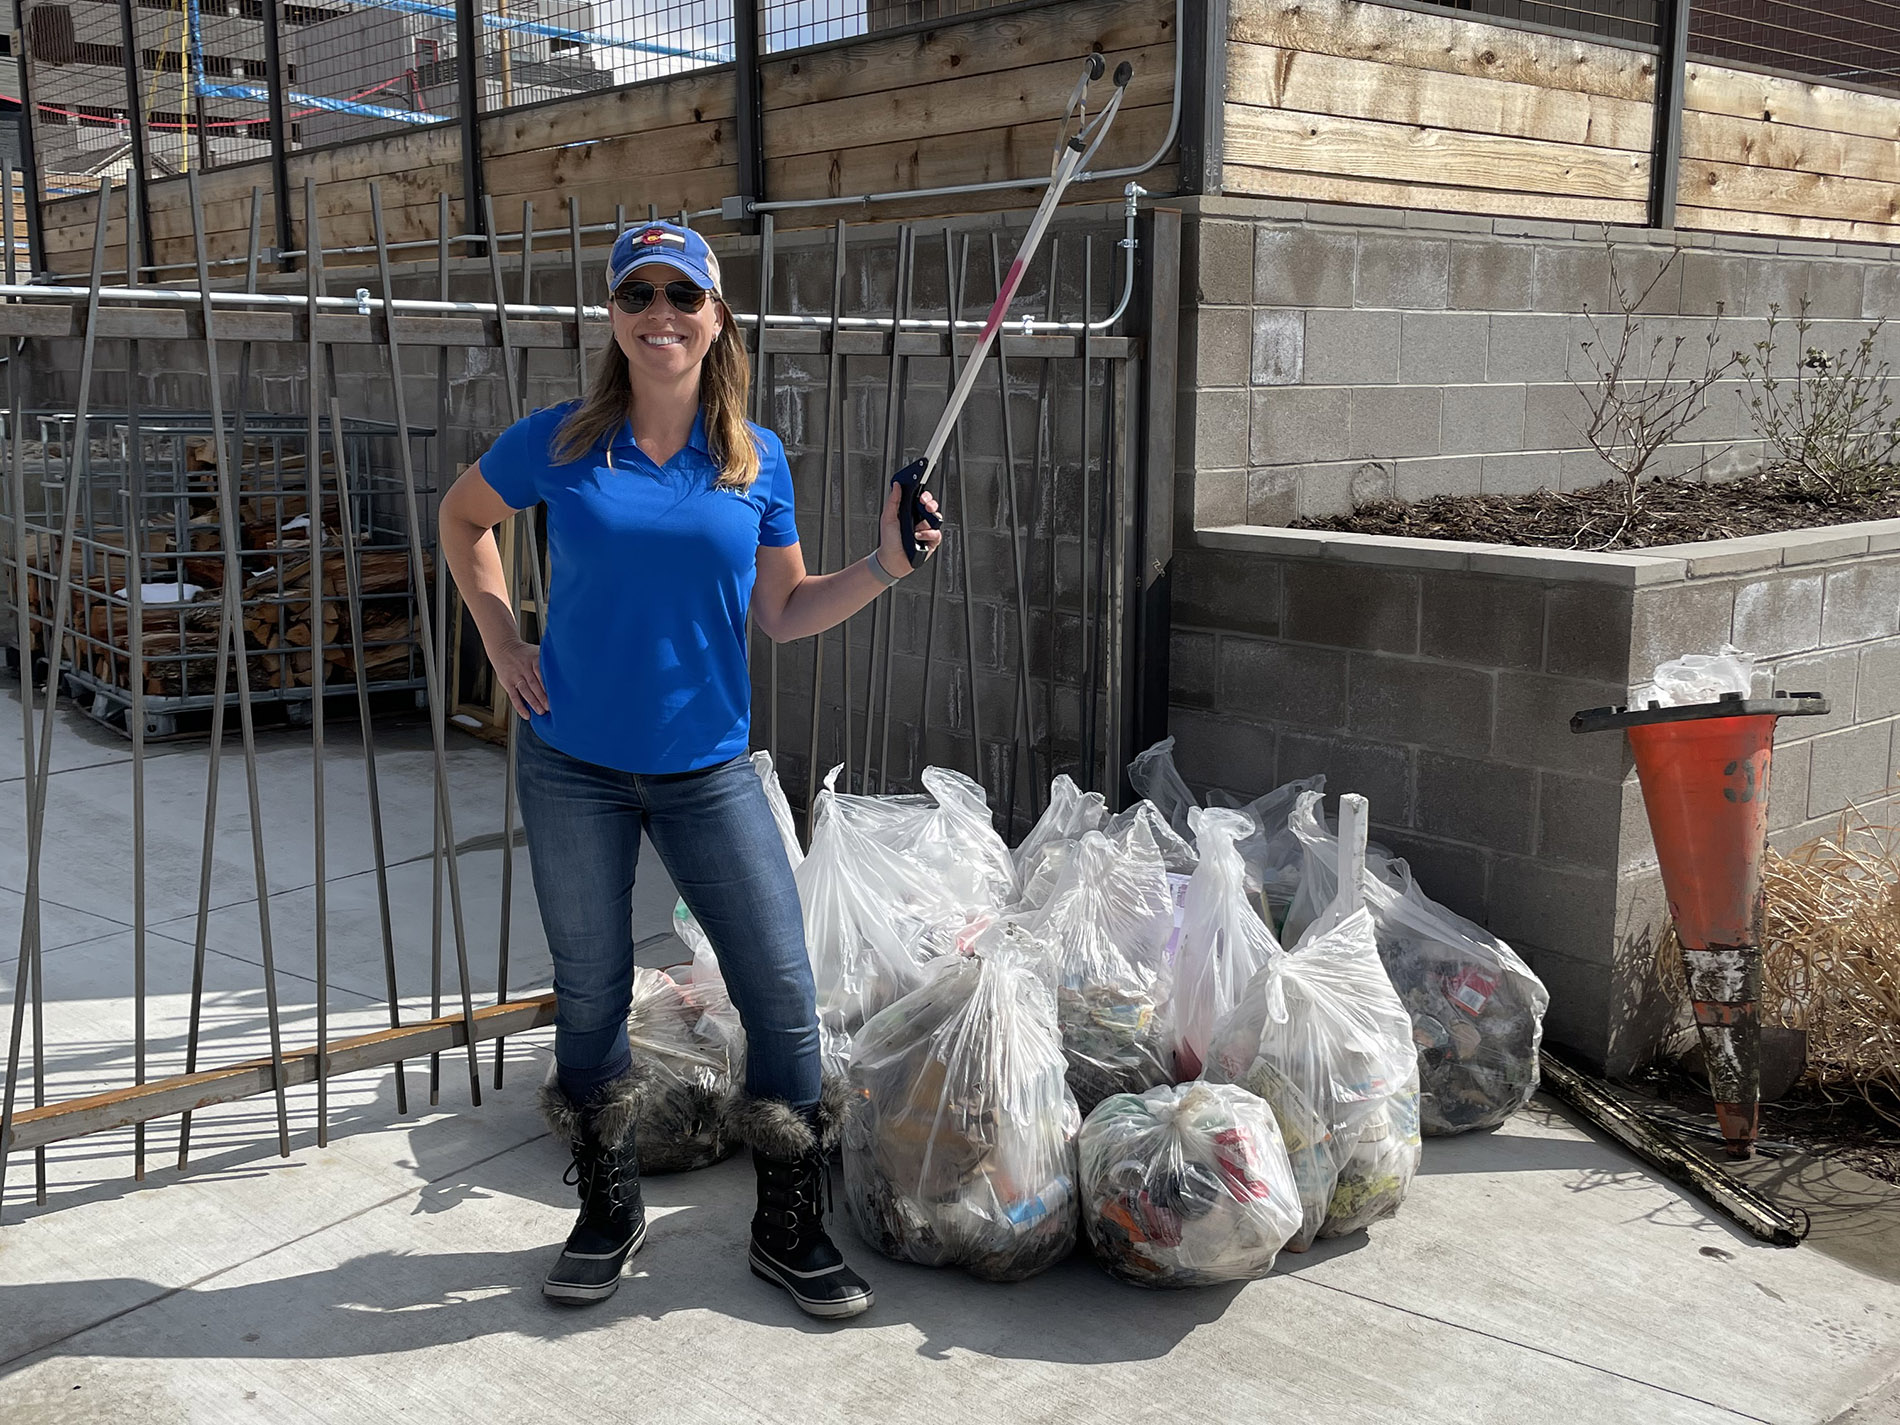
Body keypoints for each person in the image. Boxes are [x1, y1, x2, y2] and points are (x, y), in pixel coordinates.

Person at [437, 220, 942, 1319]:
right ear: (613, 319)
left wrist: (885, 565)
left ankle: (787, 1223)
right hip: (572, 763)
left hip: (705, 766)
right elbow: (464, 519)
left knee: (782, 993)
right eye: (636, 295)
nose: (658, 313)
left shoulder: (754, 460)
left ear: (717, 319)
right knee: (589, 988)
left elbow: (785, 609)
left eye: (682, 295)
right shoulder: (560, 442)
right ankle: (607, 1209)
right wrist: (499, 636)